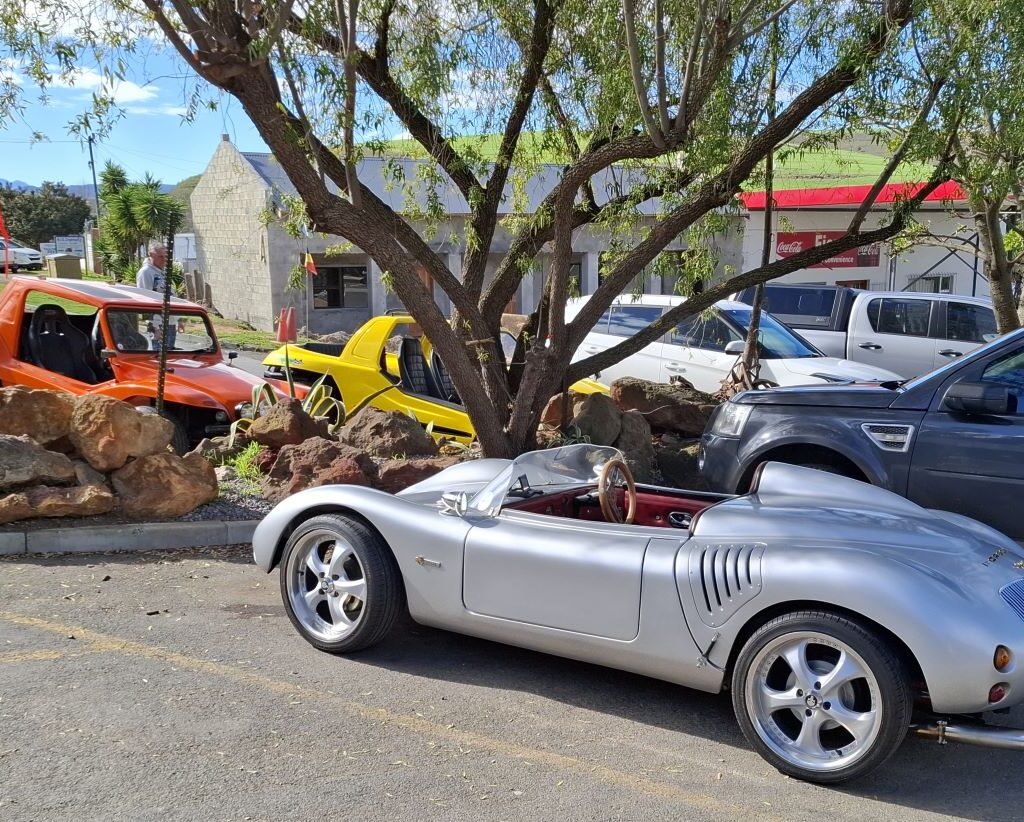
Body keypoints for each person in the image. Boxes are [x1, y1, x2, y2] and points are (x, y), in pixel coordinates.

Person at [135, 243, 176, 349]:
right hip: (157, 320)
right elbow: (145, 299)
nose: (164, 260)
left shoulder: (163, 272)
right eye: (160, 256)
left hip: (170, 319)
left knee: (170, 353)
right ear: (151, 255)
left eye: (165, 256)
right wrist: (154, 326)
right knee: (159, 353)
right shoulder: (146, 272)